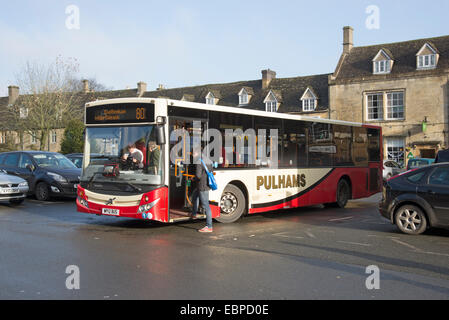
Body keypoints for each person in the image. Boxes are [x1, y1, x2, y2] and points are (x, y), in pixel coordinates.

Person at [191, 150, 214, 233]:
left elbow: (198, 175)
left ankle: (209, 226)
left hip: (202, 186)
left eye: (193, 153)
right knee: (195, 196)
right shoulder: (207, 159)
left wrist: (193, 178)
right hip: (206, 185)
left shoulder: (198, 161)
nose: (192, 155)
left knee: (206, 206)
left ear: (196, 153)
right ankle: (194, 214)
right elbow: (211, 170)